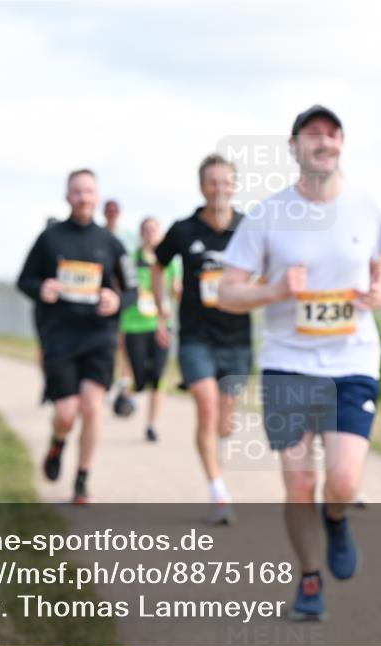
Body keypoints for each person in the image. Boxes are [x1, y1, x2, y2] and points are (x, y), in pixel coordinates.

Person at [219, 106, 381, 620]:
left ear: (343, 143)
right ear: (293, 147)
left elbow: (380, 272)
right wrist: (272, 289)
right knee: (297, 481)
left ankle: (336, 517)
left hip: (352, 359)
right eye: (312, 134)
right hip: (289, 364)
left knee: (341, 480)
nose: (324, 141)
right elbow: (227, 292)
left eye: (332, 133)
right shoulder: (267, 215)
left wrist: (379, 291)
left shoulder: (366, 206)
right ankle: (310, 578)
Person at [17, 169, 136, 504]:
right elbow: (24, 280)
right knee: (67, 412)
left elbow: (132, 290)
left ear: (97, 197)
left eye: (89, 191)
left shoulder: (111, 243)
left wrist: (117, 300)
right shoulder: (50, 239)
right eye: (77, 192)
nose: (83, 197)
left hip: (99, 335)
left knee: (93, 407)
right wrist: (42, 287)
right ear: (68, 197)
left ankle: (82, 479)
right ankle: (57, 443)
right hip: (60, 336)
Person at [153, 154, 253, 525]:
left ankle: (216, 448)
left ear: (234, 186)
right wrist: (163, 307)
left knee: (226, 420)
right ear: (201, 187)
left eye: (225, 182)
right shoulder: (183, 229)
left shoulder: (247, 227)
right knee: (207, 408)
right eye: (212, 182)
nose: (219, 189)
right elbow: (159, 263)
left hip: (237, 336)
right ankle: (218, 491)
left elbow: (269, 265)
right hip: (196, 335)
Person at [120, 216, 183, 442]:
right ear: (141, 233)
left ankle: (151, 425)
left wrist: (177, 291)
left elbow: (177, 291)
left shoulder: (171, 262)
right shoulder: (131, 260)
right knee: (139, 376)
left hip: (161, 325)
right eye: (146, 229)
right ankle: (128, 394)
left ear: (161, 234)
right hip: (134, 324)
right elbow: (121, 287)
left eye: (154, 229)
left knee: (158, 375)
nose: (150, 233)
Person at [104, 198, 137, 418]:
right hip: (105, 299)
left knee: (125, 345)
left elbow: (130, 270)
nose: (113, 213)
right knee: (112, 344)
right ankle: (108, 383)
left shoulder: (128, 237)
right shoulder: (99, 234)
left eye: (116, 209)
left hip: (123, 299)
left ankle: (124, 387)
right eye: (110, 210)